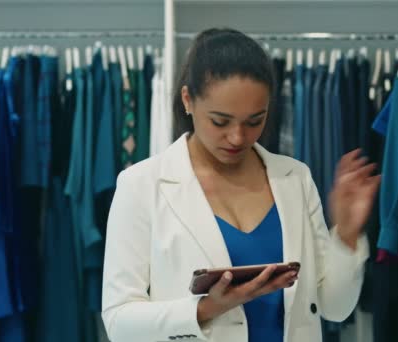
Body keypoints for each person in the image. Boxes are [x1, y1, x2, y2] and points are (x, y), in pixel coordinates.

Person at [101, 28, 381, 342]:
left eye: (254, 121)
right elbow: (119, 320)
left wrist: (346, 234)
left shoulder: (294, 177)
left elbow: (334, 308)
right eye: (220, 121)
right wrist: (205, 309)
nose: (238, 138)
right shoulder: (141, 185)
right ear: (187, 100)